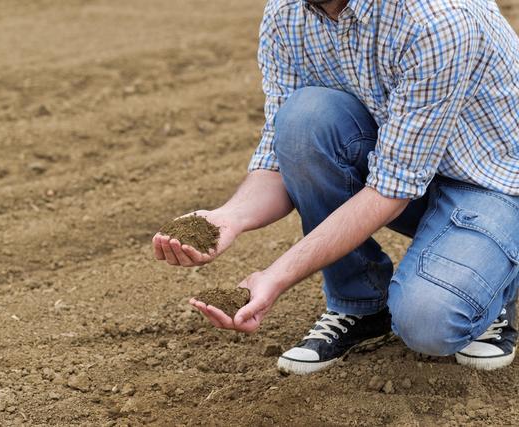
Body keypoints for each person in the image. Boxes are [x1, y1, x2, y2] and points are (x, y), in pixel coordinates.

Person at [152, 0, 519, 374]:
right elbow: (281, 156)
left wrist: (274, 278)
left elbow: (392, 190)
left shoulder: (434, 19)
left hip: (492, 184)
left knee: (429, 321)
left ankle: (494, 286)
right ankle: (359, 305)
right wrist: (228, 218)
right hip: (405, 172)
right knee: (304, 119)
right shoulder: (287, 13)